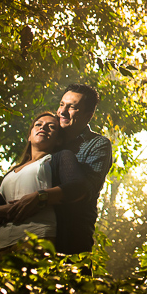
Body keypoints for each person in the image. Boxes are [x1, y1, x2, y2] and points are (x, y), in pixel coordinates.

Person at [0, 112, 88, 258]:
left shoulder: (58, 158)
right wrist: (0, 211)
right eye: (38, 125)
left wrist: (39, 197)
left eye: (51, 127)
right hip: (2, 246)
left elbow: (77, 186)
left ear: (58, 140)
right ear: (29, 136)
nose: (43, 128)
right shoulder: (10, 174)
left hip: (38, 238)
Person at [54, 83, 113, 254]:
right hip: (36, 234)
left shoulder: (98, 144)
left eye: (72, 107)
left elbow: (86, 190)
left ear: (88, 115)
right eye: (61, 104)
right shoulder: (48, 137)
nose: (62, 112)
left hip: (72, 238)